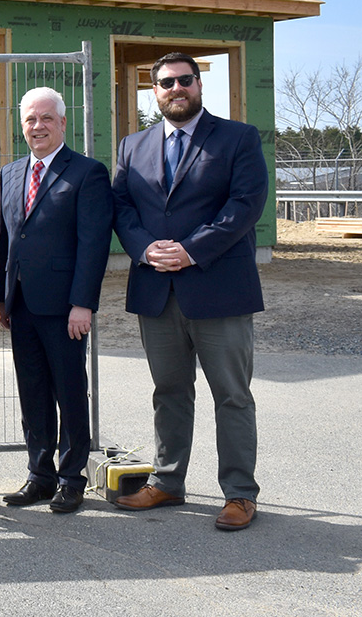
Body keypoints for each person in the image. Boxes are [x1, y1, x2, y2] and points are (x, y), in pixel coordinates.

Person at [111, 52, 267, 531]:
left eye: (184, 80)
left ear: (198, 85)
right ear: (153, 90)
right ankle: (167, 482)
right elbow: (120, 207)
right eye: (164, 82)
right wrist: (143, 249)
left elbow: (246, 204)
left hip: (219, 287)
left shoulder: (238, 137)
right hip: (157, 289)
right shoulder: (131, 146)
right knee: (170, 392)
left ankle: (240, 494)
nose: (175, 88)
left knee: (232, 395)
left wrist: (192, 250)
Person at [0, 87, 113, 514]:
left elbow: (93, 244)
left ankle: (71, 477)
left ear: (63, 123)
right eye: (30, 119)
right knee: (33, 394)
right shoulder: (10, 173)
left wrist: (83, 303)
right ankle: (39, 476)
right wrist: (1, 297)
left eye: (46, 118)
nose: (38, 126)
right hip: (21, 305)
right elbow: (4, 240)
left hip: (65, 308)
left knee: (69, 391)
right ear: (21, 125)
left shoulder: (87, 173)